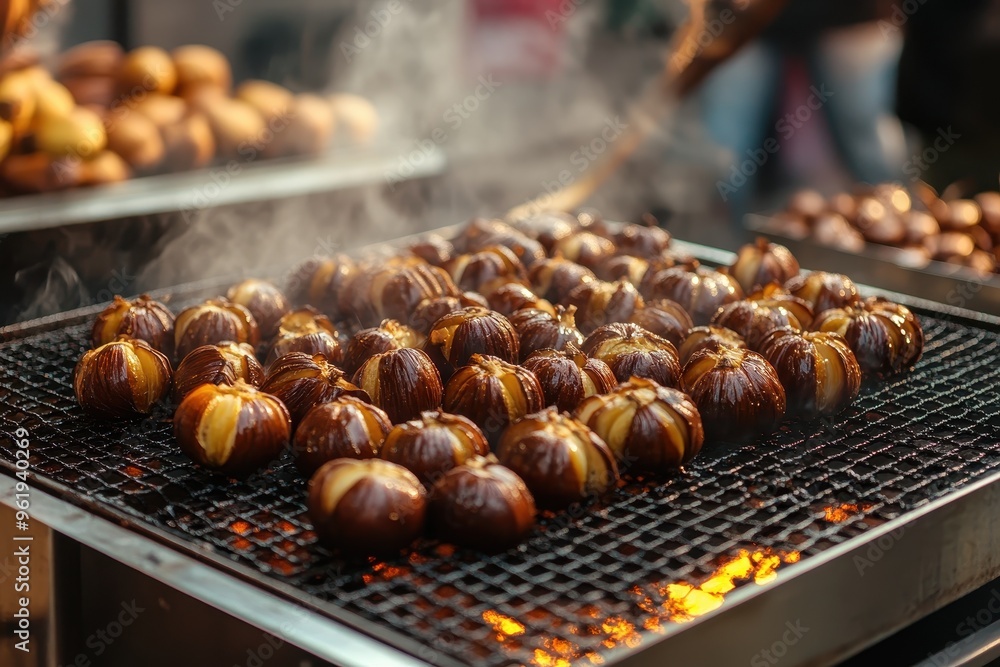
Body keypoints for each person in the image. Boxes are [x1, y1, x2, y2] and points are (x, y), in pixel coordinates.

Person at [699, 0, 905, 219]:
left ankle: (901, 238)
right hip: (745, 20)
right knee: (726, 156)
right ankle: (724, 246)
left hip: (851, 18)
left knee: (870, 152)